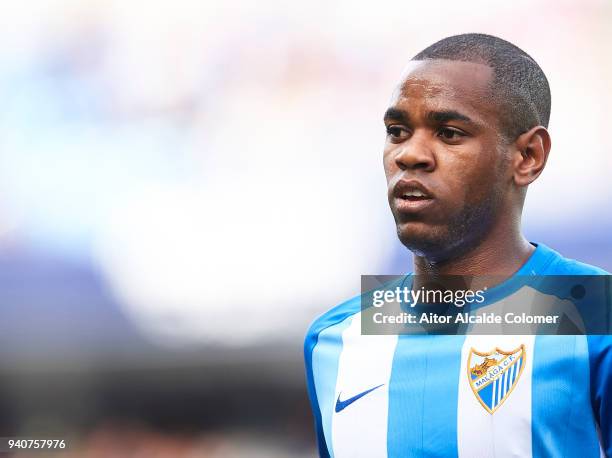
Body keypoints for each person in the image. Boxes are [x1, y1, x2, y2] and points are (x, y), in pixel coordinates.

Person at [304, 33, 611, 457]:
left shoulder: (599, 314)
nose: (410, 155)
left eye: (449, 133)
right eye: (397, 131)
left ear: (528, 156)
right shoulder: (334, 338)